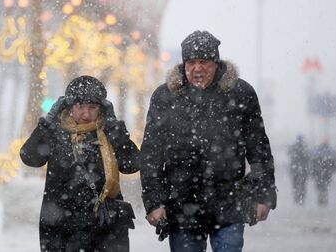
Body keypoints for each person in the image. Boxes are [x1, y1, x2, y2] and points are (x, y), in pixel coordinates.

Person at [140, 30, 277, 252]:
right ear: (184, 65)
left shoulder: (241, 93)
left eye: (204, 62)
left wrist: (263, 195)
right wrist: (154, 203)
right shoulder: (165, 97)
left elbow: (259, 147)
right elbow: (151, 156)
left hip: (229, 203)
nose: (197, 68)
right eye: (192, 62)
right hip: (181, 206)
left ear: (216, 63)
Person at [20, 75, 140, 252]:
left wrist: (116, 128)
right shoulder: (56, 133)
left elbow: (132, 164)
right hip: (62, 227)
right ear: (69, 108)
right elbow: (29, 157)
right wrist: (47, 122)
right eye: (80, 107)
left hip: (106, 228)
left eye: (92, 107)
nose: (86, 114)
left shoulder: (109, 132)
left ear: (101, 108)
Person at [310, 138, 336, 206]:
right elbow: (334, 163)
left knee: (320, 186)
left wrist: (313, 172)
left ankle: (321, 198)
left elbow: (313, 161)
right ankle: (324, 198)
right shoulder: (330, 151)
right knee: (325, 186)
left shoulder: (318, 151)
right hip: (327, 173)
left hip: (319, 173)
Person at [287, 135, 310, 205]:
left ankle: (296, 198)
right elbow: (308, 158)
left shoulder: (294, 147)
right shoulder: (305, 147)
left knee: (295, 185)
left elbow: (289, 154)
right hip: (303, 170)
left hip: (295, 170)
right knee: (302, 185)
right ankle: (301, 198)